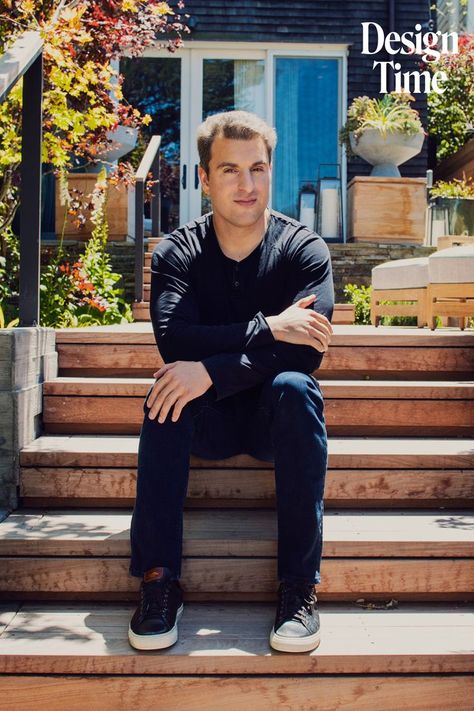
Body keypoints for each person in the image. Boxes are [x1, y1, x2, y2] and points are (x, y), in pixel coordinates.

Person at [128, 110, 334, 654]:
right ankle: (158, 579)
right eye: (230, 170)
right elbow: (177, 342)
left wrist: (213, 369)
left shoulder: (304, 249)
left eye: (258, 168)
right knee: (168, 389)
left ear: (271, 172)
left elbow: (307, 350)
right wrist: (269, 326)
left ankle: (298, 588)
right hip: (209, 424)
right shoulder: (177, 252)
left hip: (273, 421)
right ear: (204, 178)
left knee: (295, 386)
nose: (247, 185)